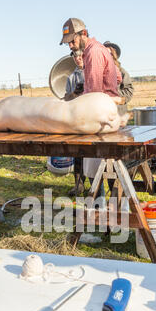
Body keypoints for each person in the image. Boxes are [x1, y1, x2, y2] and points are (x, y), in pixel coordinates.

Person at [60, 18, 121, 204]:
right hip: (105, 111)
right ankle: (112, 208)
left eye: (73, 40)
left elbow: (94, 93)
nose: (70, 45)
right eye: (68, 42)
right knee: (106, 164)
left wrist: (82, 95)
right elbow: (117, 76)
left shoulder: (93, 52)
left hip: (99, 116)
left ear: (83, 34)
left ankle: (102, 208)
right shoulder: (95, 50)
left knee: (97, 167)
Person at [64, 51, 85, 196]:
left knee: (94, 155)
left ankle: (98, 187)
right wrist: (74, 94)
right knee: (78, 153)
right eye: (75, 57)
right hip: (77, 118)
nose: (78, 59)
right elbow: (66, 98)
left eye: (80, 56)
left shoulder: (92, 72)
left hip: (92, 117)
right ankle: (79, 185)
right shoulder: (71, 78)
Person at [103, 41, 133, 115]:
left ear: (114, 55)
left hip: (119, 112)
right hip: (103, 113)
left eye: (109, 54)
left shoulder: (122, 72)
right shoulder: (98, 72)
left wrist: (113, 94)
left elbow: (129, 91)